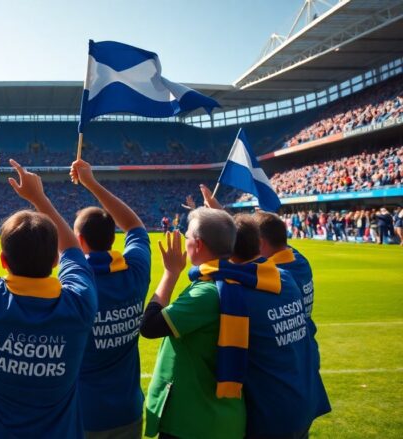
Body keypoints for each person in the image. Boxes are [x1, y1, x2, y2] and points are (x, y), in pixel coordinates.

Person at [0, 139, 97, 438]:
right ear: (55, 261)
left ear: (3, 261)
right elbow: (73, 251)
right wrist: (39, 198)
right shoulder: (79, 304)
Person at [140, 208, 245, 439]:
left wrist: (170, 273)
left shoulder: (206, 293)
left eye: (186, 236)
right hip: (223, 417)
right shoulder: (235, 279)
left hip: (194, 422)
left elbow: (149, 326)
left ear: (197, 245)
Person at [222, 215, 330, 438]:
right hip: (302, 368)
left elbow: (240, 269)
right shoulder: (298, 261)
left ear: (260, 242)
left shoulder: (280, 276)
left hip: (279, 387)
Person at [70, 159, 151, 438]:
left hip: (84, 415)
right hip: (128, 411)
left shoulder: (75, 286)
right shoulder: (136, 271)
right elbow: (135, 226)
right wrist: (92, 183)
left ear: (80, 240)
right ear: (112, 238)